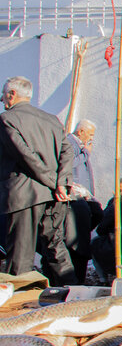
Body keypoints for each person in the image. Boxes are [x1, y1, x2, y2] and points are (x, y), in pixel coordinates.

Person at [0, 76, 75, 283]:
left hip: (24, 195)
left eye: (3, 95)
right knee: (55, 249)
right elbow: (67, 151)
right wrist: (61, 182)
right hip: (53, 196)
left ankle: (19, 302)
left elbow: (24, 155)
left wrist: (54, 182)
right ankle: (71, 294)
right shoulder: (51, 119)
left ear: (12, 94)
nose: (2, 100)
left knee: (21, 255)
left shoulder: (7, 118)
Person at [64, 119, 104, 283]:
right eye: (90, 134)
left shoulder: (79, 147)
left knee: (95, 215)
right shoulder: (69, 143)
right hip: (75, 198)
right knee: (77, 241)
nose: (91, 138)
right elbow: (68, 164)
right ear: (81, 131)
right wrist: (86, 153)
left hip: (84, 198)